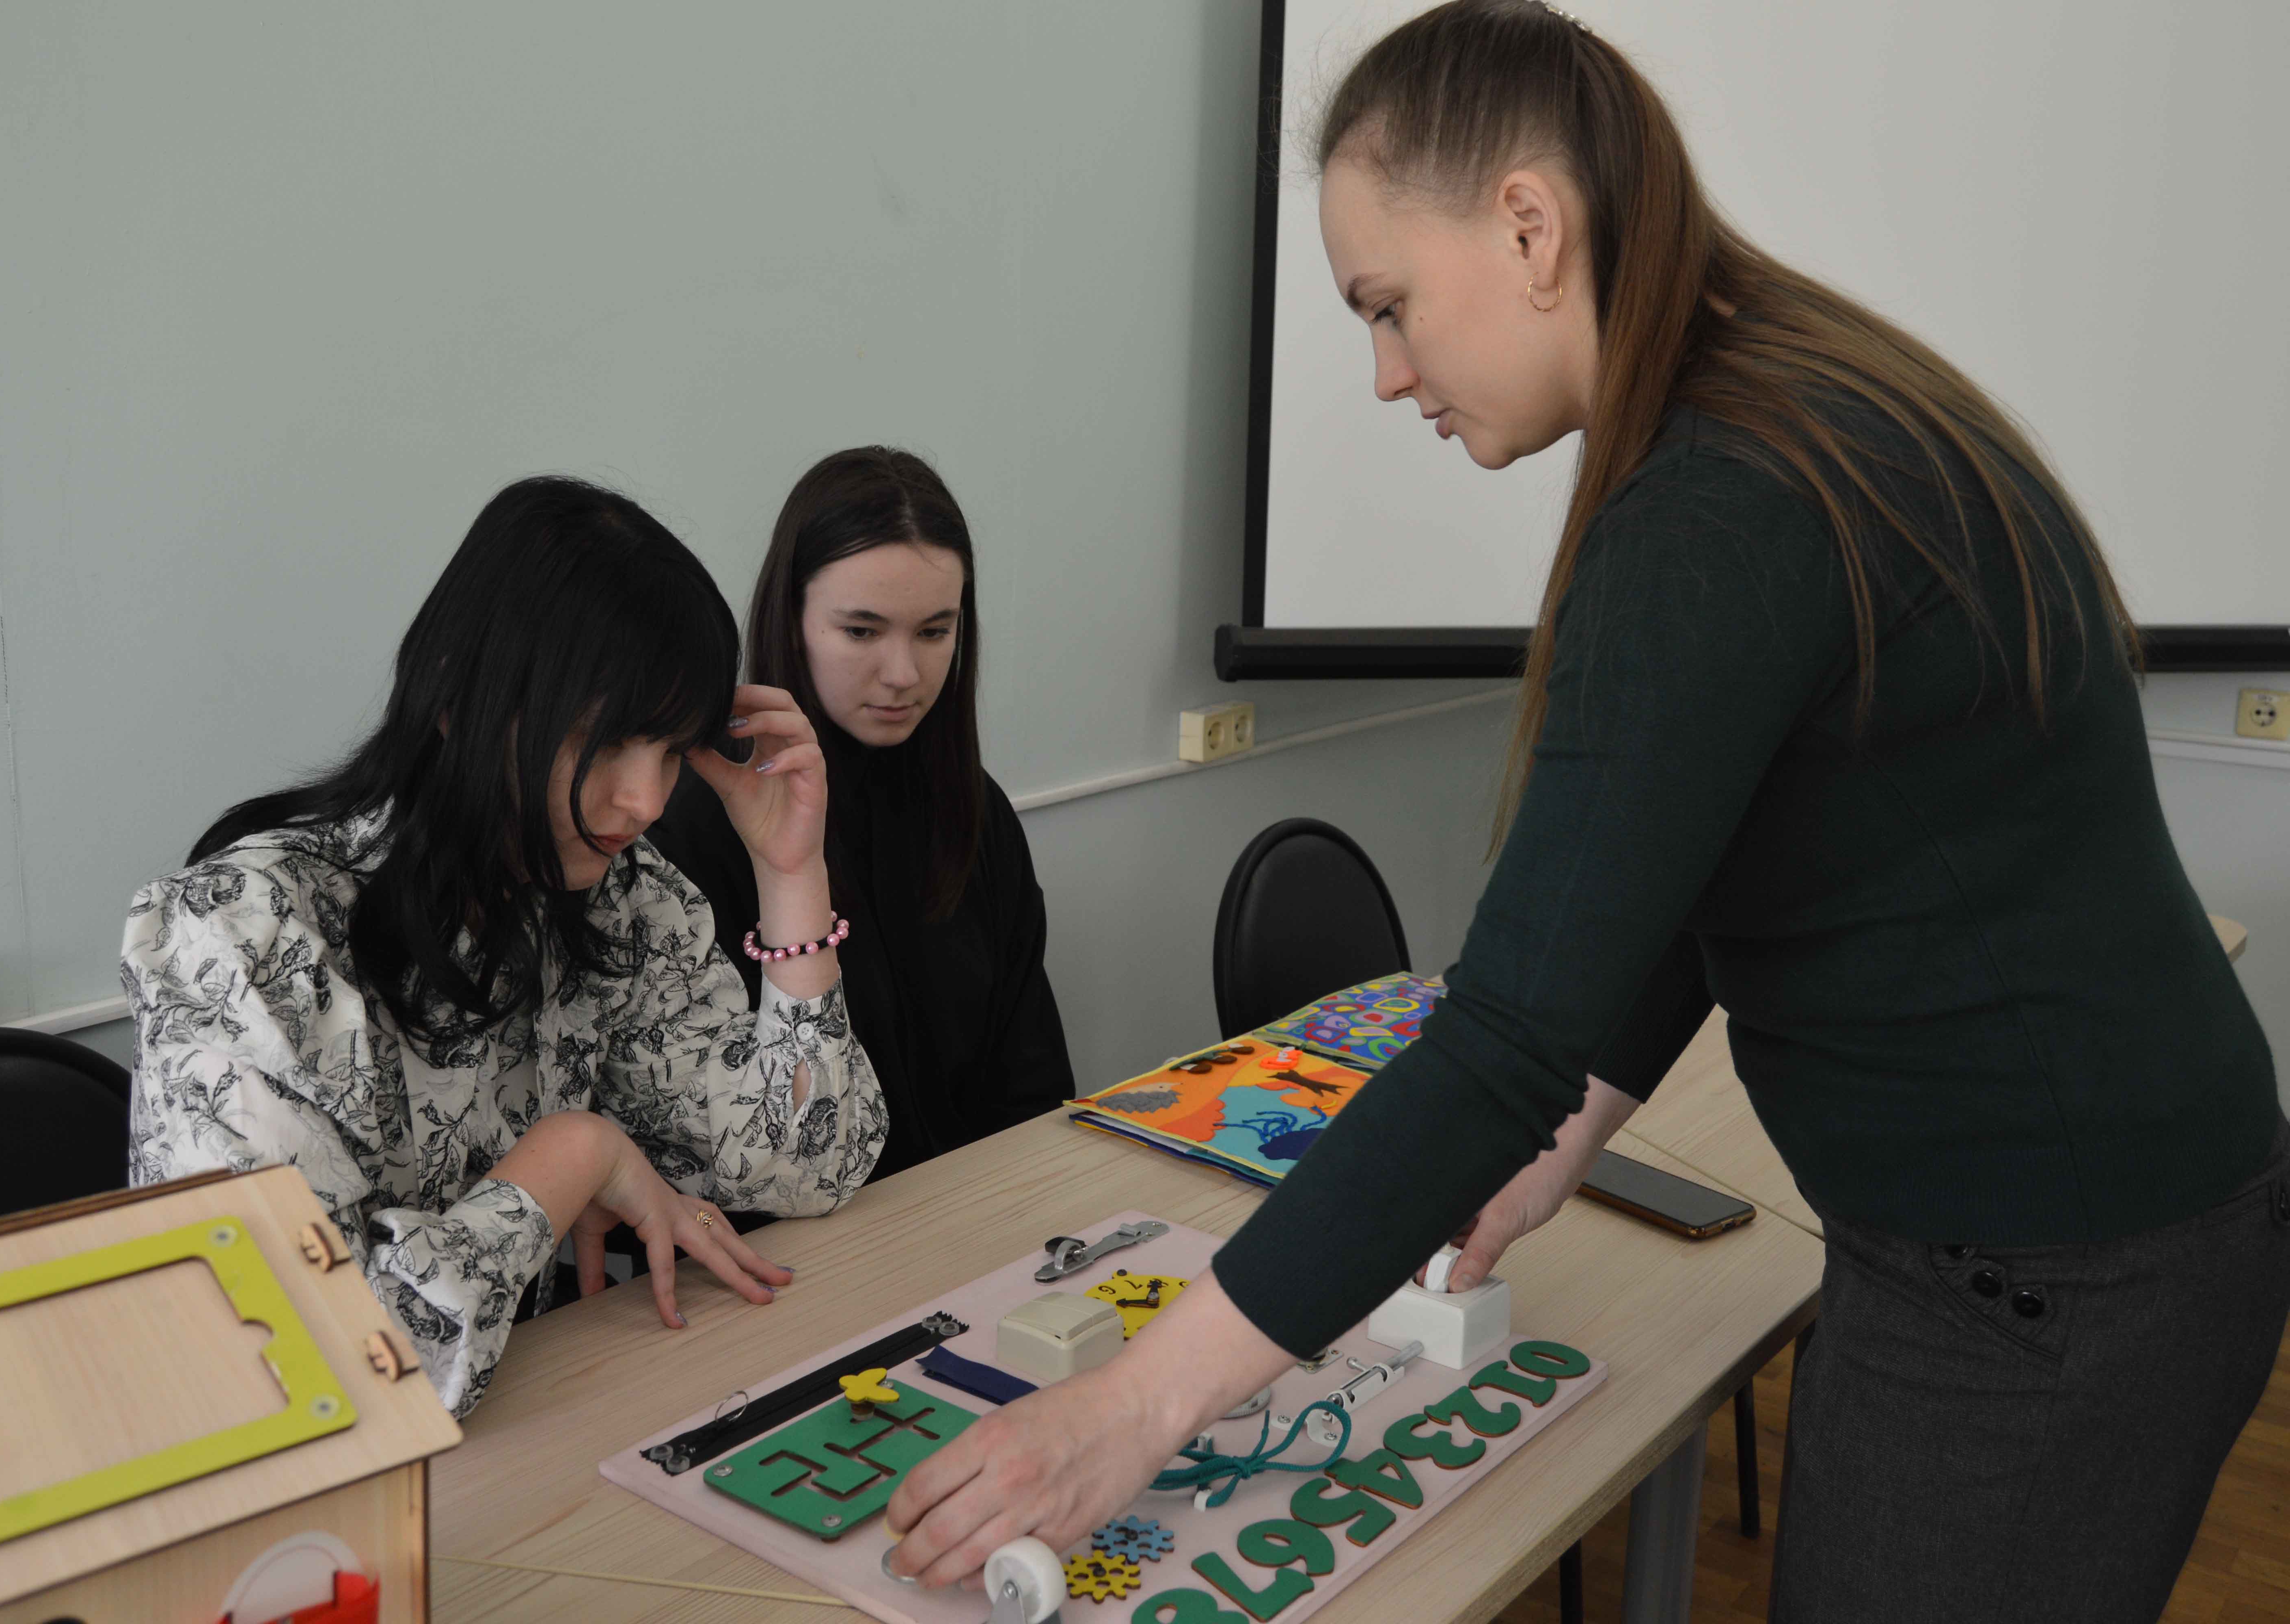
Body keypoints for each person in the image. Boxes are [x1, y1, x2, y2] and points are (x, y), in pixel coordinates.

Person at [886, 3, 2288, 1615]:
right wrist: (1564, 1144)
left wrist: (1130, 1408)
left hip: (2043, 1273)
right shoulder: (1798, 401)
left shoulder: (1710, 509)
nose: (1386, 372)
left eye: (1389, 305)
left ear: (1528, 227)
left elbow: (1497, 1044)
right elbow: (1701, 861)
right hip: (2103, 1233)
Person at [123, 475, 887, 1416]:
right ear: (460, 691)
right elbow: (305, 1365)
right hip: (309, 1482)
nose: (647, 799)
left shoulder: (623, 897)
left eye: (668, 750)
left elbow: (809, 1164)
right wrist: (574, 1155)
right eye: (607, 739)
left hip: (532, 1419)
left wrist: (788, 868)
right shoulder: (240, 931)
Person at [655, 447, 1073, 1182]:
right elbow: (695, 1151)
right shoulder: (696, 820)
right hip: (791, 1233)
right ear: (792, 617)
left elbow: (1034, 1092)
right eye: (861, 631)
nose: (904, 674)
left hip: (980, 1210)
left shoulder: (975, 809)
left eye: (935, 631)